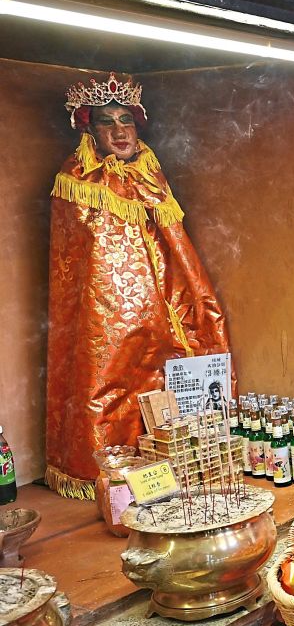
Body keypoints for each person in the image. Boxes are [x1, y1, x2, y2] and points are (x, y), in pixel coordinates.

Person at [46, 73, 231, 499]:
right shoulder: (76, 179)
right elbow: (84, 257)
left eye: (125, 120)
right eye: (107, 122)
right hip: (111, 307)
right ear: (90, 130)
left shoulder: (152, 172)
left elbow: (176, 240)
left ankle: (172, 460)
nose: (119, 131)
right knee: (112, 373)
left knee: (180, 359)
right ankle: (112, 471)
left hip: (165, 294)